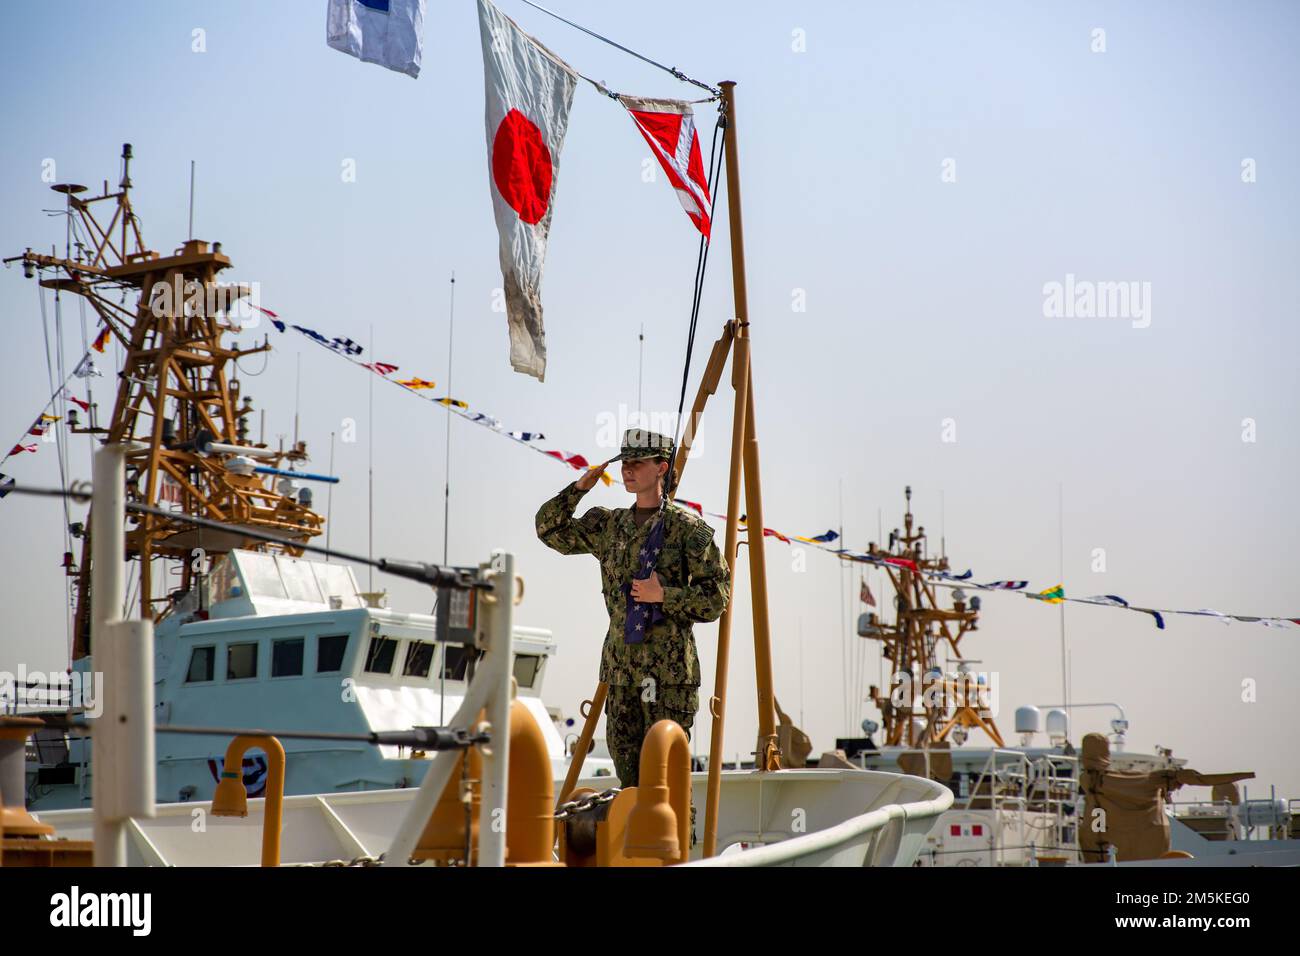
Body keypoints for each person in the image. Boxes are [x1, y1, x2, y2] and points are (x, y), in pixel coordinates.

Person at [535, 428, 729, 788]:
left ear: (661, 467)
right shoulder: (609, 526)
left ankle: (675, 846)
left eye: (637, 462)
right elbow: (549, 530)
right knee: (629, 784)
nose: (627, 470)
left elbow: (717, 596)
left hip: (669, 678)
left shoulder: (687, 530)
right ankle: (631, 846)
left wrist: (664, 595)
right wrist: (578, 491)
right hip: (621, 674)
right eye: (624, 463)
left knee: (666, 783)